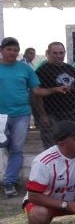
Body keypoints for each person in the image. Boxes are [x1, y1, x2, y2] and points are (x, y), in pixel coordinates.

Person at [1, 37, 70, 197]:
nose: (12, 52)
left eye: (15, 50)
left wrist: (54, 90)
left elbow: (37, 91)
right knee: (2, 147)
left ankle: (10, 182)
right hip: (0, 115)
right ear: (1, 50)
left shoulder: (25, 69)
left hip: (21, 114)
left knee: (16, 149)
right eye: (9, 49)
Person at [33, 42, 75, 149]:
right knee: (51, 145)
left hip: (69, 111)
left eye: (61, 53)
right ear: (48, 53)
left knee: (71, 142)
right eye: (55, 53)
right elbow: (37, 94)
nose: (58, 56)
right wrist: (43, 115)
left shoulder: (70, 68)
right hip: (50, 113)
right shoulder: (42, 71)